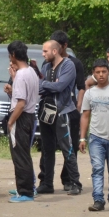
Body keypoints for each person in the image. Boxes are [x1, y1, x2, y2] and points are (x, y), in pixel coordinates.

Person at [79, 59, 109, 212]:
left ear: (108, 72)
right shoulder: (90, 93)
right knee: (97, 168)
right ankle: (98, 200)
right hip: (95, 137)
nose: (101, 75)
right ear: (93, 73)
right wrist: (82, 137)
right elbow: (85, 116)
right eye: (97, 72)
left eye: (104, 72)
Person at [37, 40, 82, 195]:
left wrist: (45, 84)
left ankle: (75, 182)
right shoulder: (45, 66)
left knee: (67, 148)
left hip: (62, 112)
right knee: (47, 149)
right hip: (45, 112)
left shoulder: (68, 65)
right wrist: (48, 84)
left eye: (45, 51)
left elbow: (60, 86)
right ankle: (47, 183)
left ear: (55, 51)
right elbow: (39, 86)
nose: (43, 54)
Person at [50, 31, 87, 192]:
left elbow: (81, 87)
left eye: (56, 46)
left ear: (64, 46)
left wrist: (78, 107)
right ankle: (46, 180)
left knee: (69, 145)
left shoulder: (73, 64)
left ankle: (69, 179)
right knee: (49, 146)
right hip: (50, 110)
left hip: (69, 109)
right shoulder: (48, 64)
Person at [6, 41, 40, 203]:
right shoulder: (31, 72)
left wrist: (11, 121)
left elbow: (21, 103)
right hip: (30, 116)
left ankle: (25, 191)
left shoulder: (21, 75)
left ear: (13, 55)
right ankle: (27, 186)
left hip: (21, 117)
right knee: (24, 153)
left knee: (19, 155)